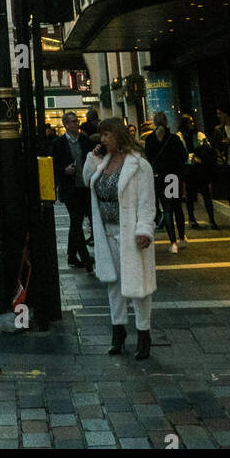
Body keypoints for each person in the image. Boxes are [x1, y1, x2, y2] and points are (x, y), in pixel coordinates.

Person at [83, 119, 157, 361]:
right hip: (106, 232)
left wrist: (145, 230)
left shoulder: (139, 164)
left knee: (138, 286)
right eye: (100, 135)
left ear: (118, 135)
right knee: (113, 283)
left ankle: (143, 334)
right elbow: (86, 181)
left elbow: (147, 202)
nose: (102, 139)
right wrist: (92, 159)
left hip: (131, 231)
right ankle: (118, 331)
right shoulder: (103, 161)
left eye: (106, 134)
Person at [51, 111, 94, 269]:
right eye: (73, 121)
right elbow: (53, 166)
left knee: (76, 222)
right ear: (66, 125)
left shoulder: (85, 140)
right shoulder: (58, 143)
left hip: (85, 187)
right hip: (70, 188)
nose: (77, 123)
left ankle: (71, 255)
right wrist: (64, 170)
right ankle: (85, 257)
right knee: (76, 220)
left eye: (77, 121)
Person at [145, 112, 188, 252]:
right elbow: (184, 156)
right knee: (177, 208)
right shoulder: (173, 138)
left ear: (155, 123)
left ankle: (172, 243)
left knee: (167, 210)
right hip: (173, 176)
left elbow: (148, 158)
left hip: (159, 178)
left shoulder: (150, 139)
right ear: (166, 122)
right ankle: (182, 238)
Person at [183, 123, 219, 230]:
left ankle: (211, 219)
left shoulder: (199, 135)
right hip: (190, 169)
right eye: (189, 122)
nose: (192, 124)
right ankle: (193, 219)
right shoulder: (181, 137)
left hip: (200, 170)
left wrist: (200, 158)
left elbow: (208, 150)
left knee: (205, 195)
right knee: (191, 196)